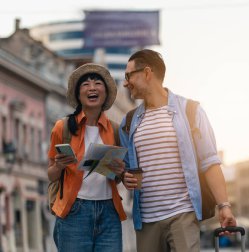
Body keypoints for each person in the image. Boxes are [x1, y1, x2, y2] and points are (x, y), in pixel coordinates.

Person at [120, 49, 236, 251]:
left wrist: (224, 206)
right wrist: (123, 175)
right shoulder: (129, 122)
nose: (125, 83)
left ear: (147, 73)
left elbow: (210, 162)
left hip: (182, 214)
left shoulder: (190, 111)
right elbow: (124, 167)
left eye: (128, 75)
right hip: (146, 220)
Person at [47, 63, 127, 252]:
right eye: (85, 84)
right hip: (75, 212)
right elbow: (51, 175)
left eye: (98, 83)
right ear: (78, 94)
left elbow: (118, 178)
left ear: (105, 93)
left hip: (109, 212)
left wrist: (120, 171)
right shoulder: (63, 127)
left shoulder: (115, 129)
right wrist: (58, 166)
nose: (92, 87)